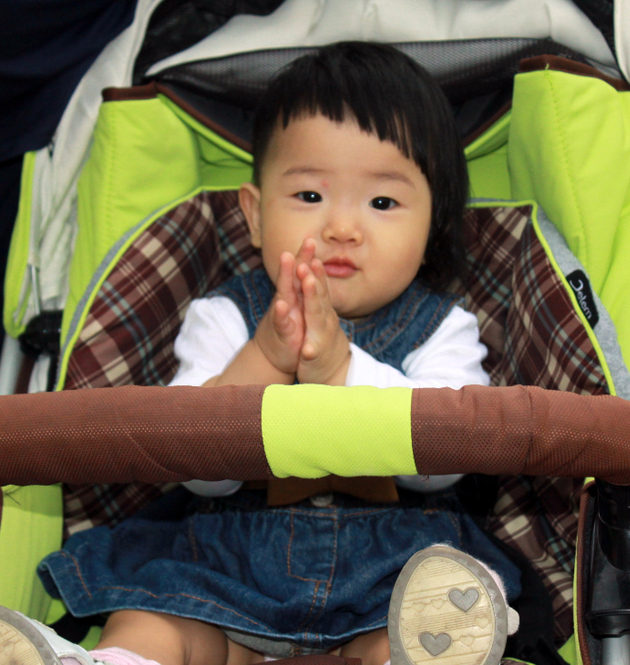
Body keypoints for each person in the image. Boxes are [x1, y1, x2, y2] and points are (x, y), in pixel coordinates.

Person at [0, 42, 520, 665]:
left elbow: (445, 463)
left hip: (390, 574)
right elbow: (194, 466)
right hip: (225, 570)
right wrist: (266, 357)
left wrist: (340, 370)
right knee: (152, 614)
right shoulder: (222, 317)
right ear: (253, 214)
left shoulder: (446, 328)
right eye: (309, 197)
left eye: (382, 202)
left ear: (433, 226)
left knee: (434, 611)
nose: (342, 228)